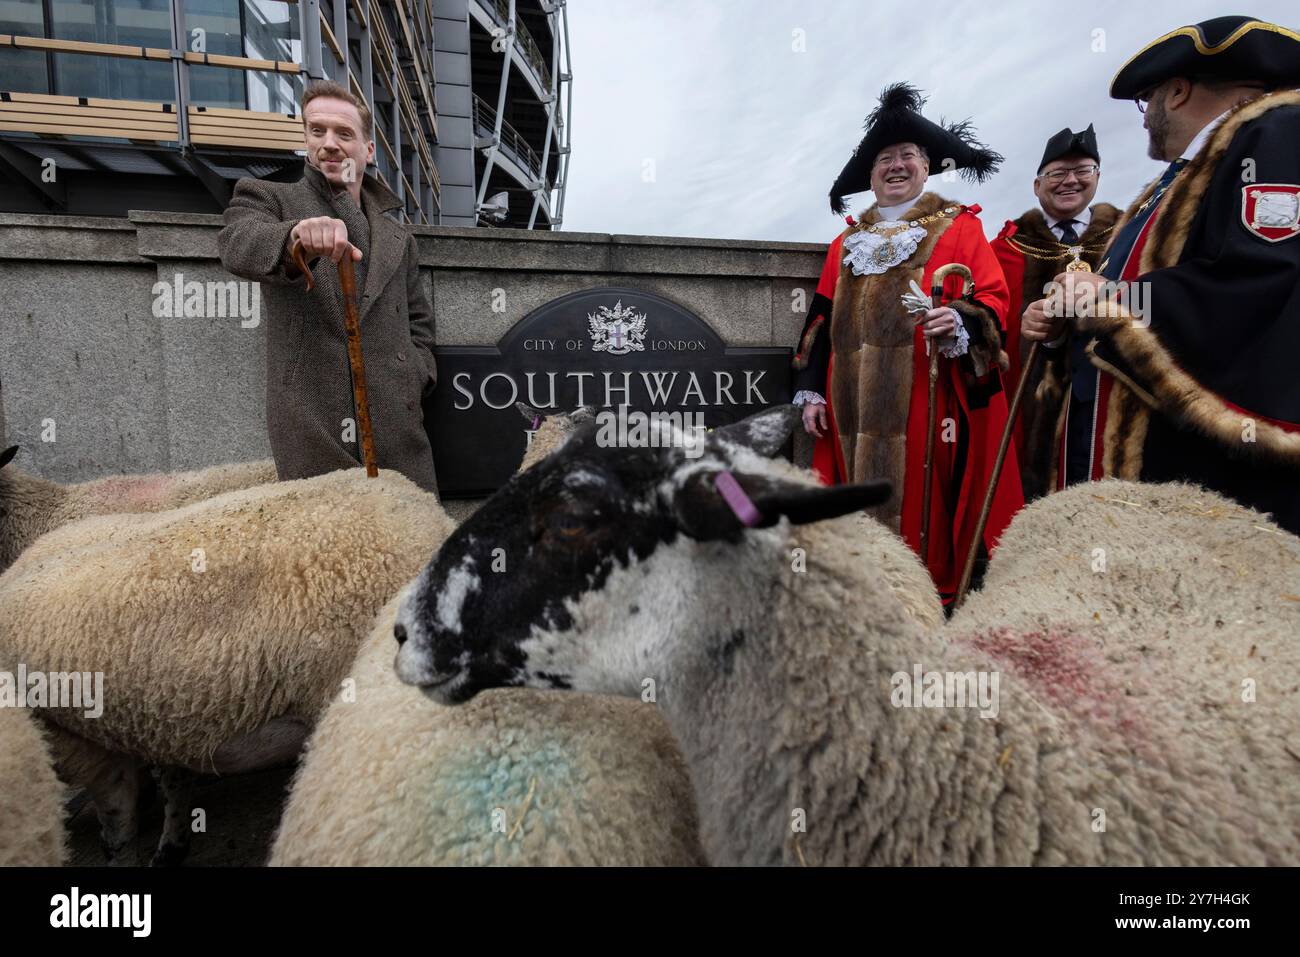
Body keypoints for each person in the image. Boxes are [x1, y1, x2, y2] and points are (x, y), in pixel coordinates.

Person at [1021, 15, 1300, 533]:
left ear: (1176, 91)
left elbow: (1265, 283)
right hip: (1133, 469)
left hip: (1199, 484)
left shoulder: (1276, 132)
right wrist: (1064, 324)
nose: (1145, 118)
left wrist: (1112, 299)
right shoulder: (1176, 180)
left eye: (1145, 101)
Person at [792, 83, 1023, 605]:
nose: (896, 167)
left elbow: (993, 300)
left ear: (926, 167)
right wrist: (809, 387)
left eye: (908, 158)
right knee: (852, 488)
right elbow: (820, 319)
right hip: (849, 397)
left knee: (925, 493)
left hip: (927, 395)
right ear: (870, 176)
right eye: (884, 161)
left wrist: (960, 320)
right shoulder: (847, 242)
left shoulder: (961, 228)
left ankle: (930, 593)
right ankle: (863, 590)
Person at [218, 80, 439, 493]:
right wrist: (294, 239)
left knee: (414, 549)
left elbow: (419, 323)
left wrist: (414, 373)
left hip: (400, 434)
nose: (329, 143)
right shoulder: (269, 198)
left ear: (368, 150)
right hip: (316, 433)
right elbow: (237, 244)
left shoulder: (398, 237)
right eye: (317, 130)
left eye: (344, 133)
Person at [991, 125, 1120, 500]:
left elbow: (1149, 304)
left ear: (1097, 177)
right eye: (1057, 173)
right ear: (1037, 185)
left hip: (1103, 390)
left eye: (1082, 170)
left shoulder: (1124, 235)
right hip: (1026, 403)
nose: (1070, 181)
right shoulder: (1006, 248)